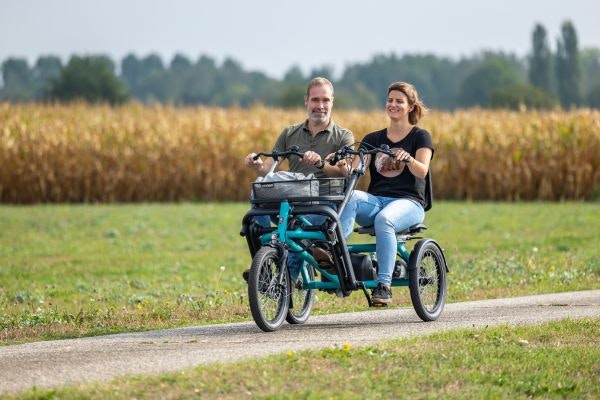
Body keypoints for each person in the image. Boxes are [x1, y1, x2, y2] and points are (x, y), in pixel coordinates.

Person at [243, 77, 354, 281]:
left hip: (324, 204)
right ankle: (264, 262)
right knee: (255, 197)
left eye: (325, 100)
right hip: (293, 199)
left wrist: (321, 164)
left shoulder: (343, 137)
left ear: (332, 102)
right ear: (306, 101)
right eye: (315, 100)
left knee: (296, 227)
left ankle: (287, 281)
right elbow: (270, 168)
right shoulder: (290, 133)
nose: (320, 106)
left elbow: (345, 171)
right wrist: (258, 165)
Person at [339, 81, 434, 305]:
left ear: (410, 107)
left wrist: (408, 158)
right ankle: (336, 256)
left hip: (409, 203)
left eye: (399, 101)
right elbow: (356, 170)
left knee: (385, 220)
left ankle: (384, 285)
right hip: (377, 200)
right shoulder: (373, 139)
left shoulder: (420, 137)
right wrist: (345, 166)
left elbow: (422, 171)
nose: (393, 104)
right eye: (390, 100)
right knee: (350, 198)